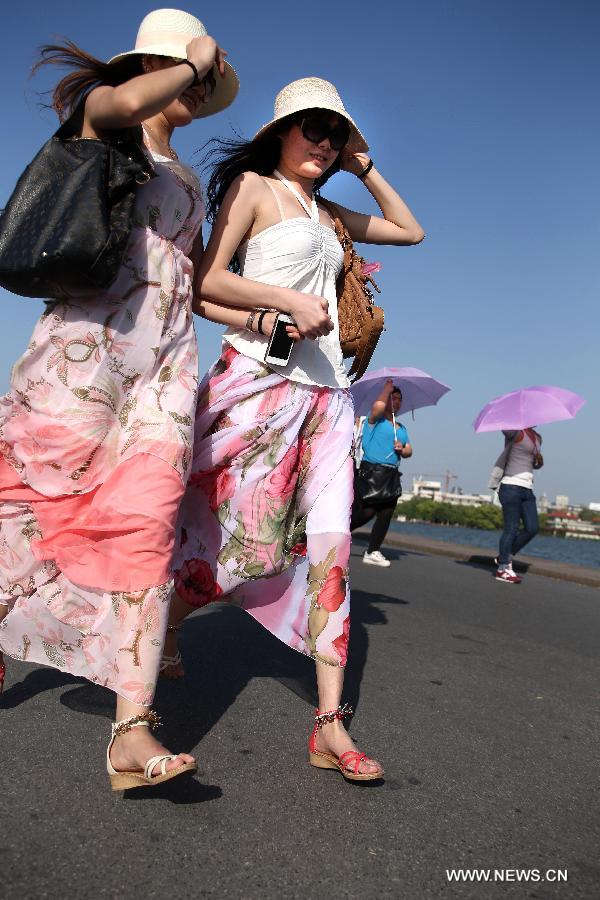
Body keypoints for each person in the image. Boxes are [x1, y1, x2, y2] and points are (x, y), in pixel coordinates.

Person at [0, 9, 238, 790]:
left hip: (165, 361)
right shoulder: (106, 123)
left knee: (147, 521)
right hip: (86, 350)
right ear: (156, 69)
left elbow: (199, 282)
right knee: (31, 503)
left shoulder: (189, 177)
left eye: (204, 82)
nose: (199, 92)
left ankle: (131, 732)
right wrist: (193, 61)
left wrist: (272, 314)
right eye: (192, 79)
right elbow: (125, 105)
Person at [162, 77, 425, 782]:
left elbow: (409, 229)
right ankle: (168, 627)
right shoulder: (254, 187)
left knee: (331, 552)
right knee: (236, 542)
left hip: (330, 397)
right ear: (281, 130)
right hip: (258, 387)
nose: (324, 143)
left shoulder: (331, 210)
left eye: (335, 134)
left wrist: (363, 165)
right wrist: (278, 302)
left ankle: (329, 727)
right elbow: (205, 282)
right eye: (313, 128)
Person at [350, 380, 412, 567]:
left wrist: (402, 449)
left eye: (399, 399)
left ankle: (373, 550)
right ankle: (335, 535)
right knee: (365, 512)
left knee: (386, 513)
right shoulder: (374, 420)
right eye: (393, 398)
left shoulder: (401, 428)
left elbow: (409, 450)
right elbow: (377, 408)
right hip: (372, 472)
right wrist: (386, 389)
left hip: (391, 474)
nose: (396, 402)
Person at [491, 428, 543, 584]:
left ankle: (505, 555)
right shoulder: (515, 432)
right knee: (511, 529)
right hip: (511, 486)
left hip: (527, 488)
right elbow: (504, 428)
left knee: (532, 528)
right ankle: (502, 569)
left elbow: (530, 463)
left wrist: (538, 462)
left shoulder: (537, 437)